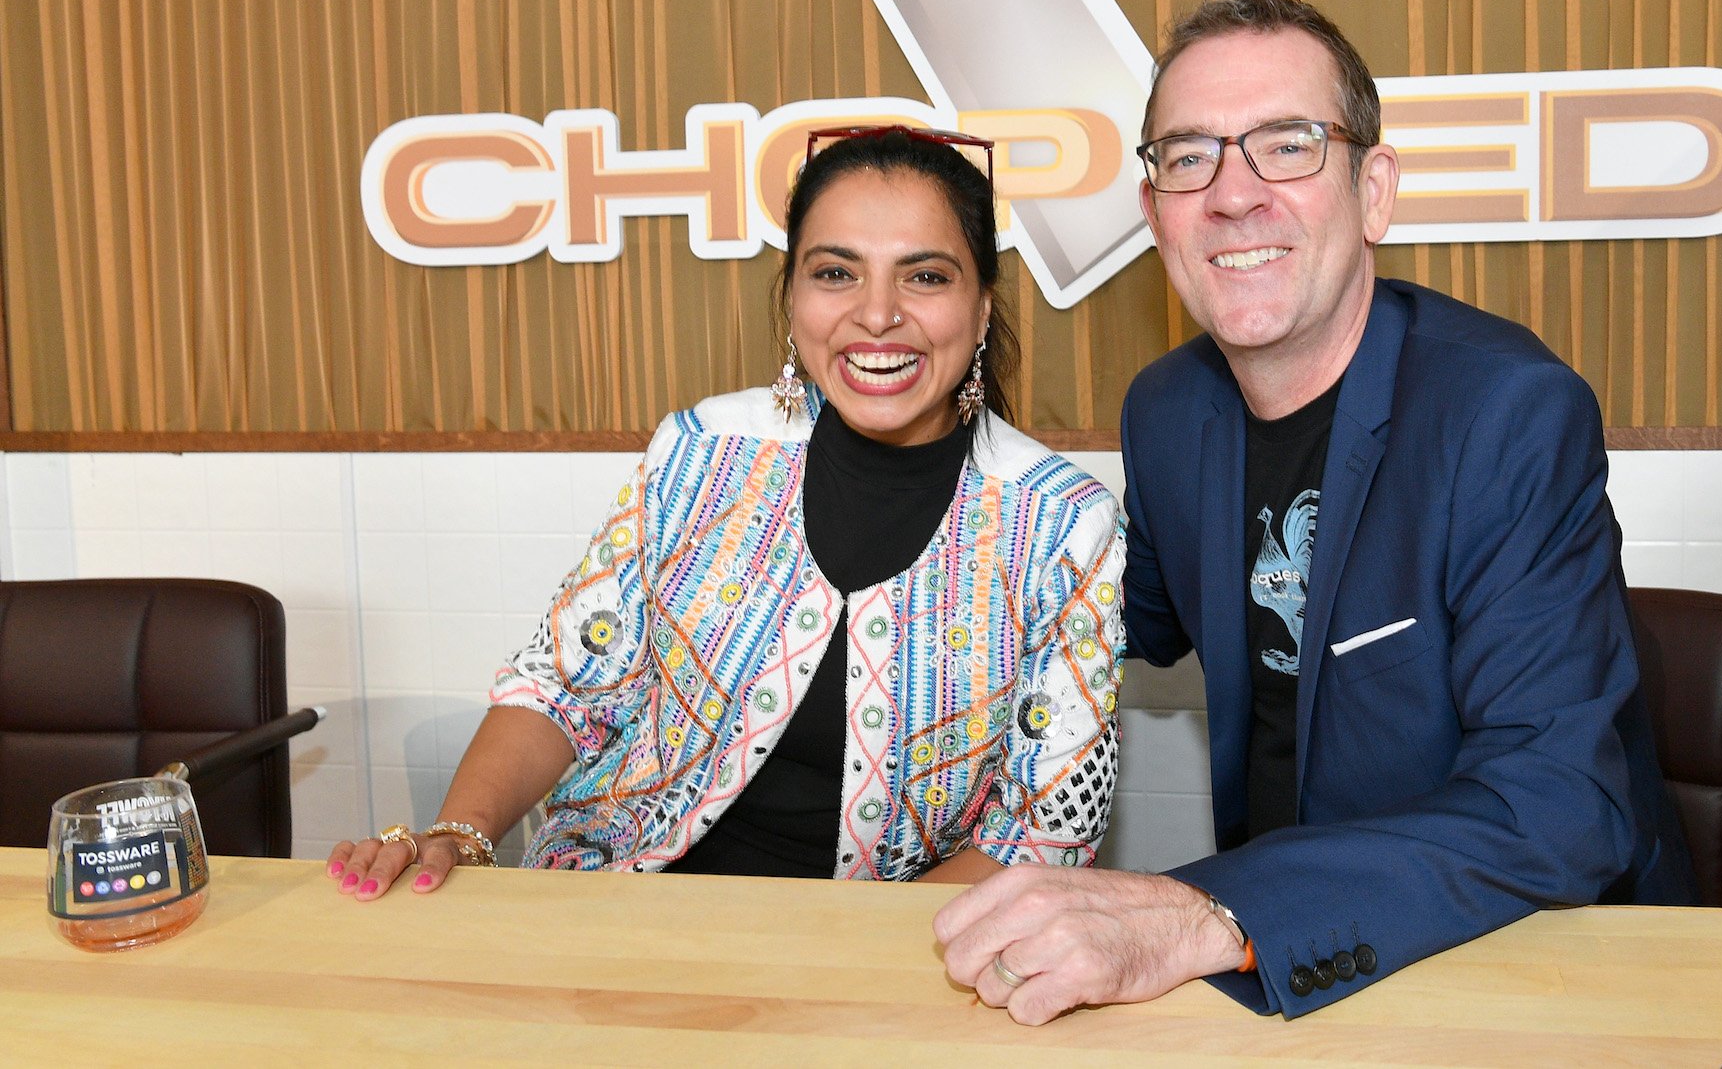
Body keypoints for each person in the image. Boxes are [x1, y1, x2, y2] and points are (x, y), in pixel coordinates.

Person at [935, 0, 1694, 1021]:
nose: (1232, 194)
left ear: (1371, 189)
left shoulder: (1506, 413)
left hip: (1516, 961)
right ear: (1155, 209)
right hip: (1283, 975)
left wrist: (1207, 910)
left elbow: (1559, 806)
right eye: (1188, 155)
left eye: (1285, 145)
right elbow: (1112, 621)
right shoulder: (1166, 408)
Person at [327, 126, 1124, 895]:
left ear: (982, 309)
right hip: (620, 911)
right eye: (836, 272)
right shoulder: (699, 449)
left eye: (924, 276)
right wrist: (460, 835)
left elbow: (1044, 830)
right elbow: (564, 689)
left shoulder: (1063, 524)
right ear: (792, 299)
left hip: (894, 954)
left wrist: (853, 965)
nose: (877, 314)